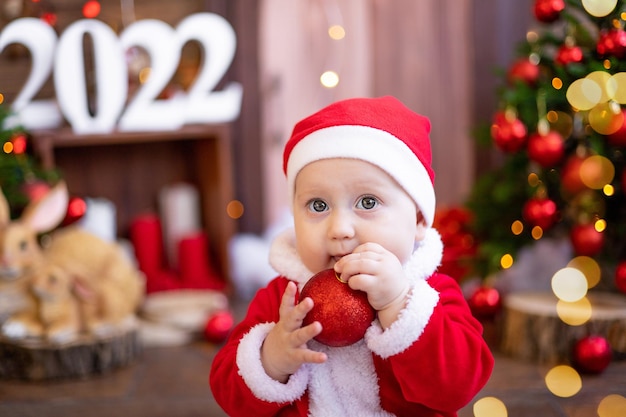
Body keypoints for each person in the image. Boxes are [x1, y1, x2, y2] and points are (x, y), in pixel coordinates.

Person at [210, 96, 494, 416]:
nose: (340, 229)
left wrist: (398, 304)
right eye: (318, 206)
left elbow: (457, 387)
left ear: (417, 220)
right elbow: (227, 392)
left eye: (368, 202)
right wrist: (272, 357)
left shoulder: (430, 295)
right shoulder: (284, 297)